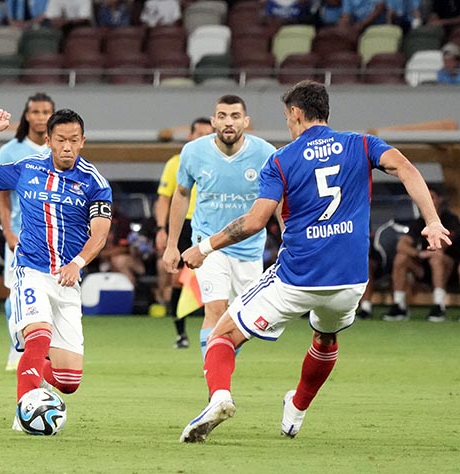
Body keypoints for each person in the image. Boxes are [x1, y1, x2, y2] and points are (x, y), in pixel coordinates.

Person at [177, 80, 452, 444]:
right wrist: (432, 221)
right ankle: (297, 410)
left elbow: (256, 221)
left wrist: (205, 247)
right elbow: (406, 168)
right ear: (327, 112)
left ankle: (220, 397)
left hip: (297, 277)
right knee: (325, 337)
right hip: (351, 280)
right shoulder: (361, 144)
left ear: (295, 113)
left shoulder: (281, 159)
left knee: (222, 335)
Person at [0, 107, 112, 430]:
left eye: (74, 140)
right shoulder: (27, 168)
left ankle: (37, 368)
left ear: (83, 141)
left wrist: (77, 263)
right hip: (31, 270)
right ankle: (24, 413)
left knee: (68, 381)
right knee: (38, 335)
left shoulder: (94, 182)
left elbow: (100, 233)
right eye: (61, 140)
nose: (67, 147)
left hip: (67, 280)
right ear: (48, 140)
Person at [163, 96, 276, 362]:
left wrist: (289, 240)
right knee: (214, 309)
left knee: (240, 319)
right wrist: (171, 245)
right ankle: (214, 384)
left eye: (235, 116)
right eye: (222, 115)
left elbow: (280, 199)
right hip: (207, 244)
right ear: (214, 121)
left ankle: (220, 370)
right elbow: (180, 195)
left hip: (249, 247)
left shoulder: (266, 153)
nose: (228, 122)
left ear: (246, 122)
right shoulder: (193, 152)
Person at [0, 92, 54, 371]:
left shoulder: (61, 149)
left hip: (55, 236)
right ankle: (17, 346)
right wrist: (7, 230)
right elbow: (3, 196)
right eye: (36, 112)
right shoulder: (11, 150)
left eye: (46, 112)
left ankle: (47, 352)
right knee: (16, 293)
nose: (41, 117)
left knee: (53, 294)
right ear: (27, 116)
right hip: (22, 234)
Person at [154, 117, 213, 349]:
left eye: (207, 134)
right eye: (198, 133)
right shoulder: (176, 162)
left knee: (217, 276)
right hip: (185, 224)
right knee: (178, 280)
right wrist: (161, 229)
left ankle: (218, 332)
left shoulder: (220, 161)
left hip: (212, 225)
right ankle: (181, 333)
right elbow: (164, 199)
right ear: (190, 136)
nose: (202, 138)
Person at [381, 186, 460, 322]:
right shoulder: (419, 222)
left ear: (439, 200)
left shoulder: (450, 219)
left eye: (432, 198)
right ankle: (399, 306)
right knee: (402, 258)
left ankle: (438, 306)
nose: (429, 201)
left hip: (449, 271)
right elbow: (402, 245)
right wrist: (419, 254)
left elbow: (442, 245)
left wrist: (430, 253)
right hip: (424, 268)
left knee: (437, 257)